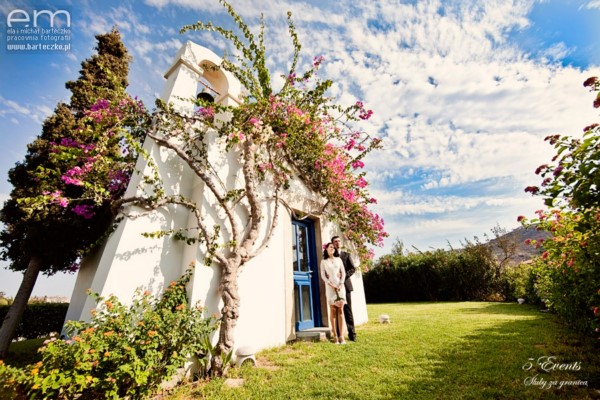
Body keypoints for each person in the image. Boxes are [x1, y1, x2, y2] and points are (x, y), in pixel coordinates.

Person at [320, 242, 347, 344]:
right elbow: (323, 275)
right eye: (330, 247)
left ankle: (341, 336)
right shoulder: (323, 261)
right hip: (330, 287)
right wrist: (330, 284)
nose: (333, 249)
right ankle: (335, 335)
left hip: (340, 286)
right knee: (332, 310)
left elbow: (343, 273)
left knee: (340, 310)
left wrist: (341, 284)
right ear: (326, 249)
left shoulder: (339, 260)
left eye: (334, 248)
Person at [332, 235, 357, 341]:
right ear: (332, 244)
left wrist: (343, 276)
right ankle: (338, 335)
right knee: (336, 310)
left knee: (347, 310)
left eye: (338, 241)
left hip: (345, 286)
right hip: (334, 287)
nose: (337, 243)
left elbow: (352, 269)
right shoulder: (330, 256)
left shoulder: (346, 255)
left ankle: (352, 334)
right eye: (335, 241)